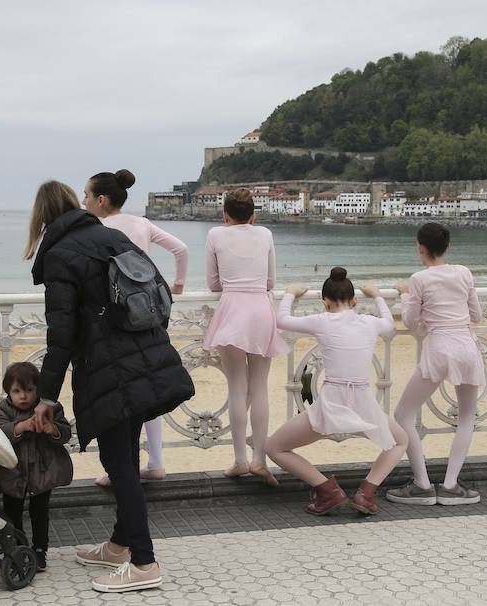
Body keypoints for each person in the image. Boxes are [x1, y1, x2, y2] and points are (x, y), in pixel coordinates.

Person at [24, 180, 194, 593]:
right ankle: (119, 545)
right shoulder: (113, 237)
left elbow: (60, 336)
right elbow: (157, 296)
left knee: (119, 466)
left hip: (110, 369)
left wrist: (46, 396)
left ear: (43, 217)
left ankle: (143, 562)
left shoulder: (62, 255)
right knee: (124, 460)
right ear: (74, 205)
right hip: (146, 356)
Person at [267, 269, 408, 515]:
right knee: (400, 442)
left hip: (331, 406)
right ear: (355, 302)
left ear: (325, 303)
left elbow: (282, 320)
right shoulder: (368, 322)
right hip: (363, 405)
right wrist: (376, 297)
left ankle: (327, 490)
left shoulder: (322, 320)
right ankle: (366, 493)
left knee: (274, 448)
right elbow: (388, 325)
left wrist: (290, 294)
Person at [83, 169, 188, 486]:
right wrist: (178, 285)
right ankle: (155, 462)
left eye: (86, 196)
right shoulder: (142, 224)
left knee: (117, 394)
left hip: (113, 318)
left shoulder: (95, 227)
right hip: (146, 314)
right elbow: (181, 249)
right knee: (150, 387)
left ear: (101, 200)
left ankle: (120, 470)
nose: (83, 201)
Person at [386, 223, 485, 507]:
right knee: (466, 416)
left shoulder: (419, 278)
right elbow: (476, 314)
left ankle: (422, 484)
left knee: (403, 414)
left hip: (440, 349)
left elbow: (409, 321)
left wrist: (405, 294)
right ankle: (452, 485)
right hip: (466, 347)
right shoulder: (464, 272)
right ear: (448, 247)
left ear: (420, 248)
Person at [203, 188, 289, 486]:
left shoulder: (215, 234)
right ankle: (259, 460)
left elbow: (212, 281)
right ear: (253, 216)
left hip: (231, 308)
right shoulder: (264, 234)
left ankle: (240, 460)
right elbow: (271, 281)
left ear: (225, 215)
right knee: (260, 387)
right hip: (260, 308)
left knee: (237, 388)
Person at [0, 362, 73, 572]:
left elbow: (66, 433)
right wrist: (21, 426)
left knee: (40, 512)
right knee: (12, 512)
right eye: (17, 391)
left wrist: (52, 429)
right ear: (8, 392)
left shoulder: (50, 408)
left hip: (42, 470)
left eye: (30, 390)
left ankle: (40, 550)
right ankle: (17, 548)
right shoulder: (5, 408)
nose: (23, 396)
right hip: (12, 472)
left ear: (39, 390)